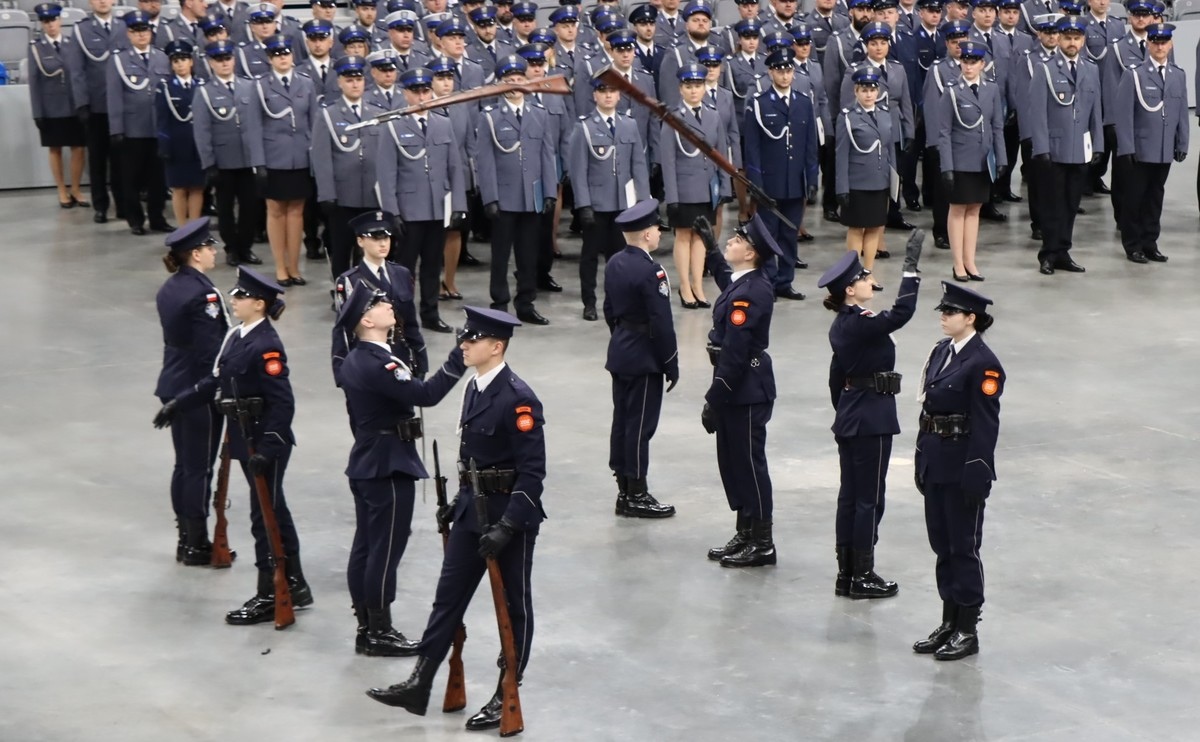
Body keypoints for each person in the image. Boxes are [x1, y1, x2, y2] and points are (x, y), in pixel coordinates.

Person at [366, 306, 546, 734]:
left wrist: (508, 525)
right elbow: (473, 459)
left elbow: (533, 472)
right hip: (472, 511)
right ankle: (421, 681)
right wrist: (460, 501)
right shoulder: (476, 388)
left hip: (508, 518)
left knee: (513, 605)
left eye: (473, 339)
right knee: (448, 597)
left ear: (496, 346)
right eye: (464, 338)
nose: (463, 344)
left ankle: (508, 692)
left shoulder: (518, 397)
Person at [155, 267, 314, 625]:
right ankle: (294, 582)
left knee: (265, 516)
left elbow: (283, 403)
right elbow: (214, 381)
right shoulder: (235, 336)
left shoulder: (266, 345)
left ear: (259, 304)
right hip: (244, 437)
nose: (233, 300)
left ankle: (270, 593)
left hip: (264, 441)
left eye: (240, 296)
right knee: (272, 509)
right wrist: (179, 403)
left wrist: (268, 447)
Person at [333, 269, 468, 656]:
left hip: (369, 460)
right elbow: (424, 395)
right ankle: (379, 630)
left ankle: (367, 625)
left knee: (367, 546)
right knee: (386, 549)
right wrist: (457, 359)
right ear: (366, 320)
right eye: (378, 304)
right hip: (388, 463)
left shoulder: (361, 359)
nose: (387, 304)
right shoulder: (379, 363)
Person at [817, 238, 923, 599]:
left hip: (852, 416)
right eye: (864, 277)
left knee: (850, 496)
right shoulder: (859, 323)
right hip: (872, 418)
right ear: (850, 289)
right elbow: (901, 315)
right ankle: (862, 574)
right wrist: (910, 270)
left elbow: (836, 377)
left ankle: (846, 573)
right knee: (869, 499)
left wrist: (845, 409)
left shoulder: (843, 325)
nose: (869, 280)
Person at [912, 281, 1004, 661]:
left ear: (971, 318)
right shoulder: (941, 352)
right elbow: (927, 410)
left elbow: (986, 424)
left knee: (963, 547)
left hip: (962, 463)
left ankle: (968, 627)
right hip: (936, 460)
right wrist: (921, 456)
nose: (943, 317)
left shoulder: (984, 363)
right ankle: (949, 620)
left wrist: (978, 471)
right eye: (943, 311)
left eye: (950, 312)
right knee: (941, 545)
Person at [695, 215, 784, 568]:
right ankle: (746, 532)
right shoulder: (743, 282)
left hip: (745, 388)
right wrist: (711, 248)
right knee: (733, 464)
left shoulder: (753, 291)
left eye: (736, 240)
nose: (730, 240)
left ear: (750, 254)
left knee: (750, 465)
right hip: (737, 386)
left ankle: (763, 542)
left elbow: (735, 352)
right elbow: (725, 280)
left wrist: (713, 399)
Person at [152, 219, 228, 565]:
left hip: (173, 382)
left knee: (184, 466)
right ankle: (198, 543)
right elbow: (212, 350)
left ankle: (186, 538)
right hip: (198, 390)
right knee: (200, 468)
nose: (214, 251)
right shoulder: (204, 294)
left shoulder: (171, 287)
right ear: (196, 254)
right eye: (209, 247)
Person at [375, 66, 468, 333]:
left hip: (437, 207)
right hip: (409, 209)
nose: (421, 96)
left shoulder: (443, 123)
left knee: (431, 265)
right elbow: (387, 174)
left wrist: (459, 205)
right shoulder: (393, 127)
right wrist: (391, 211)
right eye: (415, 91)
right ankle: (401, 317)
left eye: (425, 90)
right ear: (405, 94)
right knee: (404, 269)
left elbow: (454, 168)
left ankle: (430, 313)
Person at [602, 199, 679, 519]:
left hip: (621, 350)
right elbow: (661, 321)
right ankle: (636, 493)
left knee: (622, 421)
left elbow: (609, 310)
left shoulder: (615, 263)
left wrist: (621, 337)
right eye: (656, 230)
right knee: (640, 427)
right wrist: (671, 362)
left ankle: (624, 487)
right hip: (645, 358)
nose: (660, 235)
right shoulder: (652, 271)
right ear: (646, 235)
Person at [475, 55, 557, 325]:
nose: (514, 84)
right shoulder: (490, 117)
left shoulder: (539, 114)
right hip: (505, 197)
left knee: (528, 254)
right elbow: (485, 161)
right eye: (508, 80)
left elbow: (547, 155)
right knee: (500, 256)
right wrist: (490, 197)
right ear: (500, 84)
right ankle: (499, 303)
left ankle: (526, 302)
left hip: (530, 195)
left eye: (519, 79)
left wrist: (549, 192)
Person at [568, 76, 652, 321]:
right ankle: (590, 302)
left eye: (613, 91)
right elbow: (578, 170)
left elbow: (638, 165)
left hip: (623, 205)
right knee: (590, 256)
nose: (608, 96)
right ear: (594, 95)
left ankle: (617, 301)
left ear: (619, 96)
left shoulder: (629, 125)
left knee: (620, 258)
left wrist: (644, 200)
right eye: (602, 91)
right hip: (596, 203)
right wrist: (583, 204)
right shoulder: (584, 127)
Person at [1027, 15, 1101, 276]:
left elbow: (1095, 111)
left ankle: (1063, 251)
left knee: (1071, 204)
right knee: (1052, 204)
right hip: (1054, 149)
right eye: (1067, 37)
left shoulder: (1091, 69)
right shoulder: (1045, 68)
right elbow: (1037, 113)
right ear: (1058, 38)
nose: (1072, 42)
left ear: (1082, 40)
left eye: (1077, 38)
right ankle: (1048, 253)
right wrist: (1041, 148)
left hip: (1080, 148)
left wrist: (1098, 144)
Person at [744, 48, 820, 300]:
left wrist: (811, 178)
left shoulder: (803, 102)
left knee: (789, 234)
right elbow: (752, 147)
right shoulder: (759, 103)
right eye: (780, 70)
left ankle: (785, 282)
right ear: (770, 72)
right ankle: (768, 281)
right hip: (770, 180)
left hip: (795, 182)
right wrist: (756, 182)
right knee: (767, 235)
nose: (785, 76)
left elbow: (810, 144)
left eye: (789, 70)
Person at [243, 34, 317, 286]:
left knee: (297, 213)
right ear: (269, 59)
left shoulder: (306, 84)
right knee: (275, 212)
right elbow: (253, 127)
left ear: (292, 56)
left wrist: (314, 157)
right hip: (273, 158)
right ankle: (280, 268)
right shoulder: (260, 86)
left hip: (300, 157)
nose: (282, 58)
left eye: (286, 53)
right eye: (277, 54)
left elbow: (314, 124)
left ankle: (295, 267)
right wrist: (258, 162)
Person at [1113, 22, 1185, 264]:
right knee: (1135, 198)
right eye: (1155, 41)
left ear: (1170, 44)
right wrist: (1127, 147)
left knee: (1155, 198)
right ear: (1149, 44)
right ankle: (1132, 245)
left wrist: (1182, 142)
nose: (1160, 46)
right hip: (1140, 148)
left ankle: (1150, 242)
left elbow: (1180, 113)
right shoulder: (1134, 74)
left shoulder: (1178, 75)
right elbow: (1123, 115)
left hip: (1164, 148)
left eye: (1164, 42)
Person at [332, 211, 428, 384]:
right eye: (375, 238)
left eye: (386, 238)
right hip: (366, 363)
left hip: (400, 358)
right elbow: (342, 331)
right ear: (360, 241)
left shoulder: (402, 274)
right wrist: (341, 373)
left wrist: (421, 361)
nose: (383, 243)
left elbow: (411, 322)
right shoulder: (350, 281)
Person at [661, 62, 728, 309]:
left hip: (706, 186)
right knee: (683, 236)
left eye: (698, 86)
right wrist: (672, 196)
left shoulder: (713, 115)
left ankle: (698, 284)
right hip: (684, 187)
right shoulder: (673, 118)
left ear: (704, 88)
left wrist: (724, 187)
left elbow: (721, 154)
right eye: (688, 86)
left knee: (702, 236)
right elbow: (667, 161)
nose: (693, 91)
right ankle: (684, 286)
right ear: (681, 89)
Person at [312, 55, 385, 281]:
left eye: (358, 79)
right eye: (349, 79)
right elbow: (321, 157)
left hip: (372, 195)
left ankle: (369, 292)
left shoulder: (375, 113)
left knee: (370, 249)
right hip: (343, 196)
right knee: (342, 249)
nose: (355, 84)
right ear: (340, 83)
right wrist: (327, 193)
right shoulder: (328, 114)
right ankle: (343, 292)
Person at [938, 41, 1005, 281]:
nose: (968, 66)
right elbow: (943, 132)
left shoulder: (991, 89)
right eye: (965, 62)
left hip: (982, 160)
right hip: (959, 160)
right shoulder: (952, 91)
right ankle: (958, 264)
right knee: (958, 210)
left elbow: (997, 125)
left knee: (975, 209)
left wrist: (1001, 158)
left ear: (982, 64)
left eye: (973, 62)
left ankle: (970, 261)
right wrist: (946, 166)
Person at [192, 40, 263, 267]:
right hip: (223, 161)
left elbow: (256, 124)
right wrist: (209, 163)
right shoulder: (204, 92)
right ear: (211, 63)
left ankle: (245, 246)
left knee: (250, 207)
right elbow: (202, 131)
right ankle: (231, 247)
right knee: (225, 209)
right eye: (219, 59)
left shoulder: (248, 86)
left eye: (228, 58)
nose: (224, 63)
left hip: (247, 159)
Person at [108, 10, 173, 235]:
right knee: (131, 179)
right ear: (129, 34)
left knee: (158, 179)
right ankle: (135, 219)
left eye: (144, 30)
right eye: (136, 31)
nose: (141, 35)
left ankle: (157, 217)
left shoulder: (162, 57)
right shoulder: (119, 60)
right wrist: (116, 128)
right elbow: (114, 96)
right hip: (132, 130)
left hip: (158, 128)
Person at [66, 0, 125, 223]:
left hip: (120, 106)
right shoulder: (82, 30)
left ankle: (123, 205)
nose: (102, 1)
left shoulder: (122, 27)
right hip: (96, 107)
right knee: (98, 160)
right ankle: (100, 206)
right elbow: (77, 71)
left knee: (121, 160)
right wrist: (82, 103)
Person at [836, 65, 894, 288]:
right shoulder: (848, 117)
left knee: (874, 227)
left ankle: (868, 272)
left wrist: (893, 181)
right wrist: (842, 187)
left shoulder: (885, 114)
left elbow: (889, 150)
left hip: (879, 180)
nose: (869, 94)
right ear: (856, 92)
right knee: (856, 229)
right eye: (864, 90)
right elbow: (841, 154)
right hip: (857, 181)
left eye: (872, 90)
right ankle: (852, 273)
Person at [29, 3, 89, 210]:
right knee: (55, 149)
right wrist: (38, 112)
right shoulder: (36, 48)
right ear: (42, 24)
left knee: (79, 148)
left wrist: (83, 103)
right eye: (46, 21)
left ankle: (75, 188)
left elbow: (81, 75)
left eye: (53, 20)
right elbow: (34, 83)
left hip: (74, 106)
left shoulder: (72, 44)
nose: (51, 25)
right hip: (51, 107)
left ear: (60, 20)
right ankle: (61, 189)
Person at [155, 40, 205, 225]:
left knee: (197, 188)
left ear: (191, 62)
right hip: (176, 145)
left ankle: (194, 226)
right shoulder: (165, 87)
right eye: (176, 61)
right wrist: (164, 144)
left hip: (197, 145)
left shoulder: (201, 85)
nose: (180, 64)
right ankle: (183, 229)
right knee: (179, 188)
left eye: (184, 59)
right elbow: (161, 119)